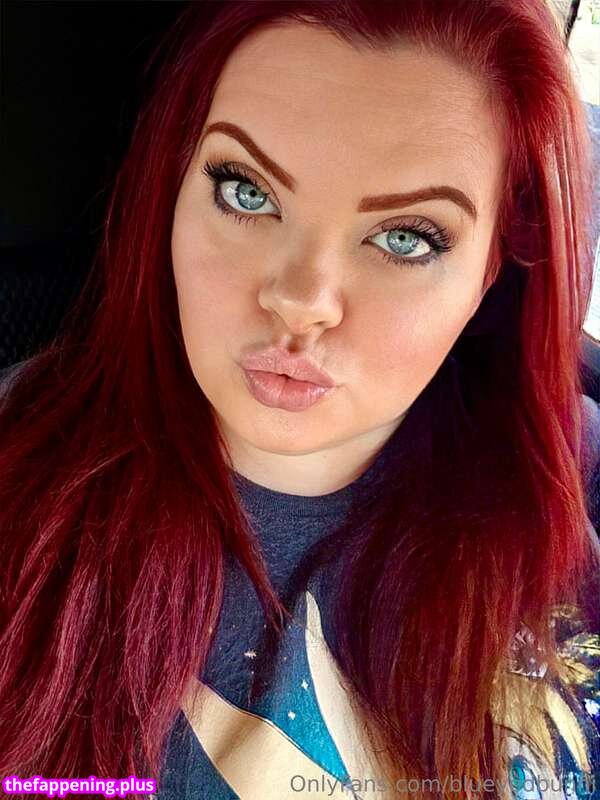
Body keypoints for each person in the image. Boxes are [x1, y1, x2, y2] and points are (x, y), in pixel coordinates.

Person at [0, 1, 599, 798]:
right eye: (245, 192)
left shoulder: (577, 486)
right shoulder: (18, 461)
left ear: (494, 266)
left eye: (406, 238)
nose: (300, 301)